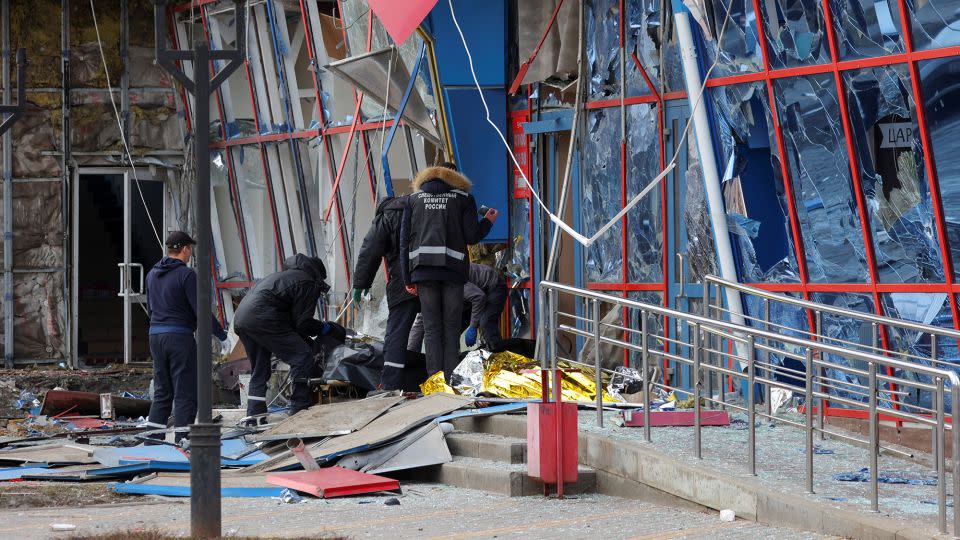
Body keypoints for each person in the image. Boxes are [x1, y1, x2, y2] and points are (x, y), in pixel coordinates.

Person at [400, 162, 497, 380]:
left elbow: (404, 242)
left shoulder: (413, 200)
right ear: (455, 177)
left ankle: (434, 380)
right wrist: (488, 222)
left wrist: (408, 278)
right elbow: (471, 237)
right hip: (453, 273)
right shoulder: (463, 199)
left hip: (423, 273)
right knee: (451, 328)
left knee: (432, 328)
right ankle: (451, 380)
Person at [234, 254, 344, 418]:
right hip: (264, 317)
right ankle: (299, 409)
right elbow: (302, 323)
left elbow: (292, 322)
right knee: (302, 357)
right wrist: (324, 328)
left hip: (242, 318)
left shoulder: (286, 276)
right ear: (318, 275)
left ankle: (254, 417)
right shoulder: (308, 282)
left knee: (259, 370)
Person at [144, 231, 228, 443]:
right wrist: (221, 335)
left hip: (155, 336)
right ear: (185, 249)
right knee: (185, 390)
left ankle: (152, 440)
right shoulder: (187, 275)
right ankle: (183, 439)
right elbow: (200, 310)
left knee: (162, 391)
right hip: (179, 337)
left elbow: (152, 309)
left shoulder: (152, 273)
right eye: (191, 248)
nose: (191, 253)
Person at [352, 196, 419, 391]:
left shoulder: (387, 216)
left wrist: (361, 283)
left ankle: (391, 384)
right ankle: (438, 381)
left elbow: (370, 249)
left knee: (397, 332)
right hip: (435, 280)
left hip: (403, 280)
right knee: (435, 331)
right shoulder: (421, 210)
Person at [407, 262, 508, 352]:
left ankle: (498, 359)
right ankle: (454, 361)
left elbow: (479, 297)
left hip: (493, 286)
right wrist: (410, 355)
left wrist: (473, 326)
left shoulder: (447, 281)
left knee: (485, 322)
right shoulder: (427, 293)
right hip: (471, 298)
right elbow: (419, 325)